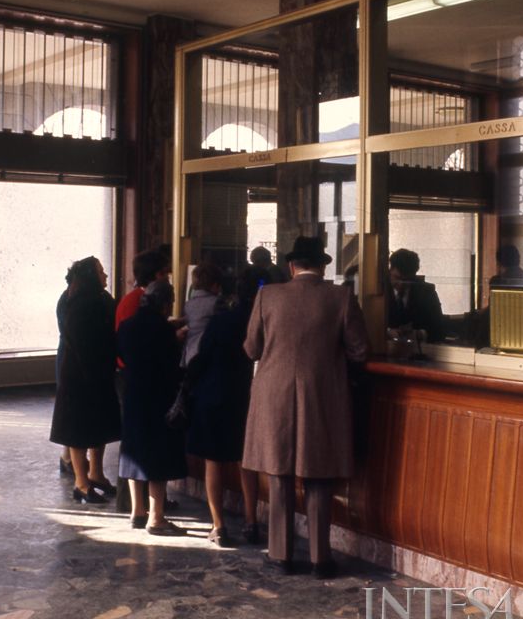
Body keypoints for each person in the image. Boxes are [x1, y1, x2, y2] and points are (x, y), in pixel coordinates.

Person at [243, 235, 369, 578]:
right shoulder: (341, 297)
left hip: (273, 395)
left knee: (279, 474)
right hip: (322, 395)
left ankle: (280, 556)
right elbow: (359, 350)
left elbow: (251, 348)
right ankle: (320, 559)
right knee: (319, 475)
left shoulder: (268, 295)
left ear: (291, 266)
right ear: (323, 266)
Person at [184, 271, 261, 547]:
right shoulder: (260, 320)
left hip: (215, 393)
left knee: (213, 462)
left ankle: (219, 526)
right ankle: (252, 522)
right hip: (246, 396)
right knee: (246, 461)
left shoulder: (221, 321)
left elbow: (203, 355)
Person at [117, 280, 189, 535]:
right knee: (158, 454)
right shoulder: (163, 331)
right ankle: (156, 517)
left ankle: (137, 512)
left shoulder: (127, 326)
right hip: (158, 397)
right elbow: (172, 366)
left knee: (134, 450)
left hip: (133, 393)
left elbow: (122, 355)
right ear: (165, 304)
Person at [49, 256, 121, 504]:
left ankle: (96, 474)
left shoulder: (99, 298)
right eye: (101, 272)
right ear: (90, 276)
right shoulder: (77, 302)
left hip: (96, 371)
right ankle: (81, 482)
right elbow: (81, 341)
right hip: (81, 374)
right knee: (78, 429)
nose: (105, 275)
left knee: (97, 426)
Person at [386, 248, 446, 344]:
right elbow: (369, 326)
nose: (401, 284)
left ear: (414, 275)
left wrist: (419, 334)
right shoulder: (379, 291)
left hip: (418, 350)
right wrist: (387, 332)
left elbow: (439, 329)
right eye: (397, 278)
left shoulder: (427, 292)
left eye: (407, 280)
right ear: (390, 271)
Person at [180, 261, 222, 367]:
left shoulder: (189, 304)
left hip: (189, 355)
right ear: (215, 285)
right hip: (207, 355)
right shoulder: (216, 303)